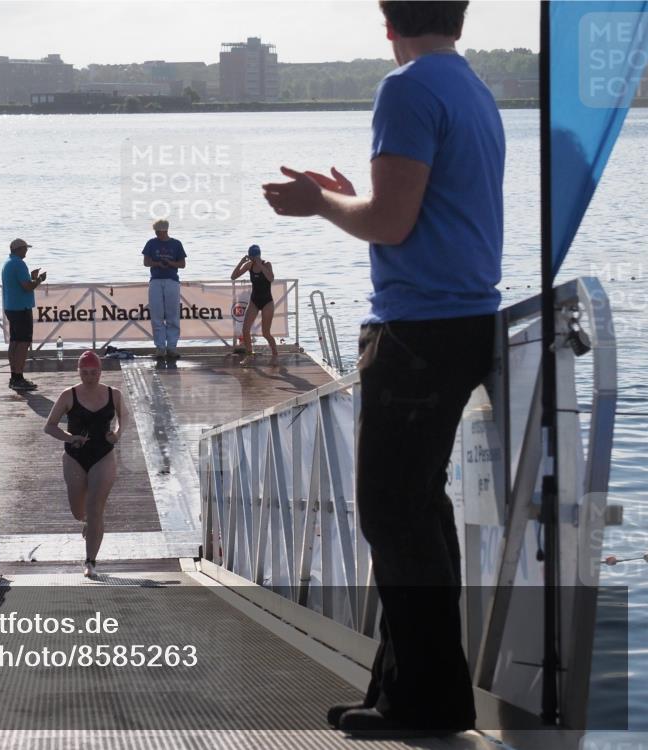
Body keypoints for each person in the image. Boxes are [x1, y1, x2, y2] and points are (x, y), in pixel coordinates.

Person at [262, 1, 502, 736]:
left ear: (388, 23)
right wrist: (347, 194)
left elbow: (390, 224)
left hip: (417, 329)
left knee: (392, 514)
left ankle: (426, 701)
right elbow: (421, 210)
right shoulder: (472, 87)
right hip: (465, 321)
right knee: (418, 511)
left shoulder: (406, 88)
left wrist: (320, 203)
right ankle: (407, 690)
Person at [43, 351, 125, 578]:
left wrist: (117, 434)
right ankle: (87, 521)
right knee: (78, 511)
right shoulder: (68, 395)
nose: (90, 377)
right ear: (79, 372)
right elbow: (49, 426)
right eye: (85, 373)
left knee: (95, 507)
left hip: (103, 455)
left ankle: (90, 561)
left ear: (101, 372)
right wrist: (69, 438)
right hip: (75, 456)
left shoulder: (113, 394)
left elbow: (124, 417)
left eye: (94, 373)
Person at [1, 238, 46, 391]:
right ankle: (18, 377)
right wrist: (39, 279)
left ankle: (14, 376)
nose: (26, 251)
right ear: (19, 249)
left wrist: (32, 278)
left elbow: (21, 283)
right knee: (23, 343)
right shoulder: (19, 264)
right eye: (25, 248)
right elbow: (27, 287)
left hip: (11, 307)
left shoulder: (8, 263)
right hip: (21, 308)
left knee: (14, 342)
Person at [142, 219, 186, 359]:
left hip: (172, 280)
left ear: (165, 231)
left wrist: (171, 263)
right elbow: (146, 262)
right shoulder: (151, 243)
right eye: (156, 231)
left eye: (158, 231)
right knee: (157, 315)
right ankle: (160, 347)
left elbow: (182, 264)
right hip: (155, 280)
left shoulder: (176, 244)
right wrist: (157, 264)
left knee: (173, 315)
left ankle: (172, 347)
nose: (157, 234)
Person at [230, 244, 279, 363]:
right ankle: (249, 355)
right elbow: (233, 277)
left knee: (266, 333)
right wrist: (241, 262)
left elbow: (271, 278)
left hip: (267, 302)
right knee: (245, 330)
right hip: (254, 301)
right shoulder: (249, 265)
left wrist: (260, 265)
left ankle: (275, 355)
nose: (253, 259)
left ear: (259, 255)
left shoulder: (267, 264)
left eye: (254, 257)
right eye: (251, 257)